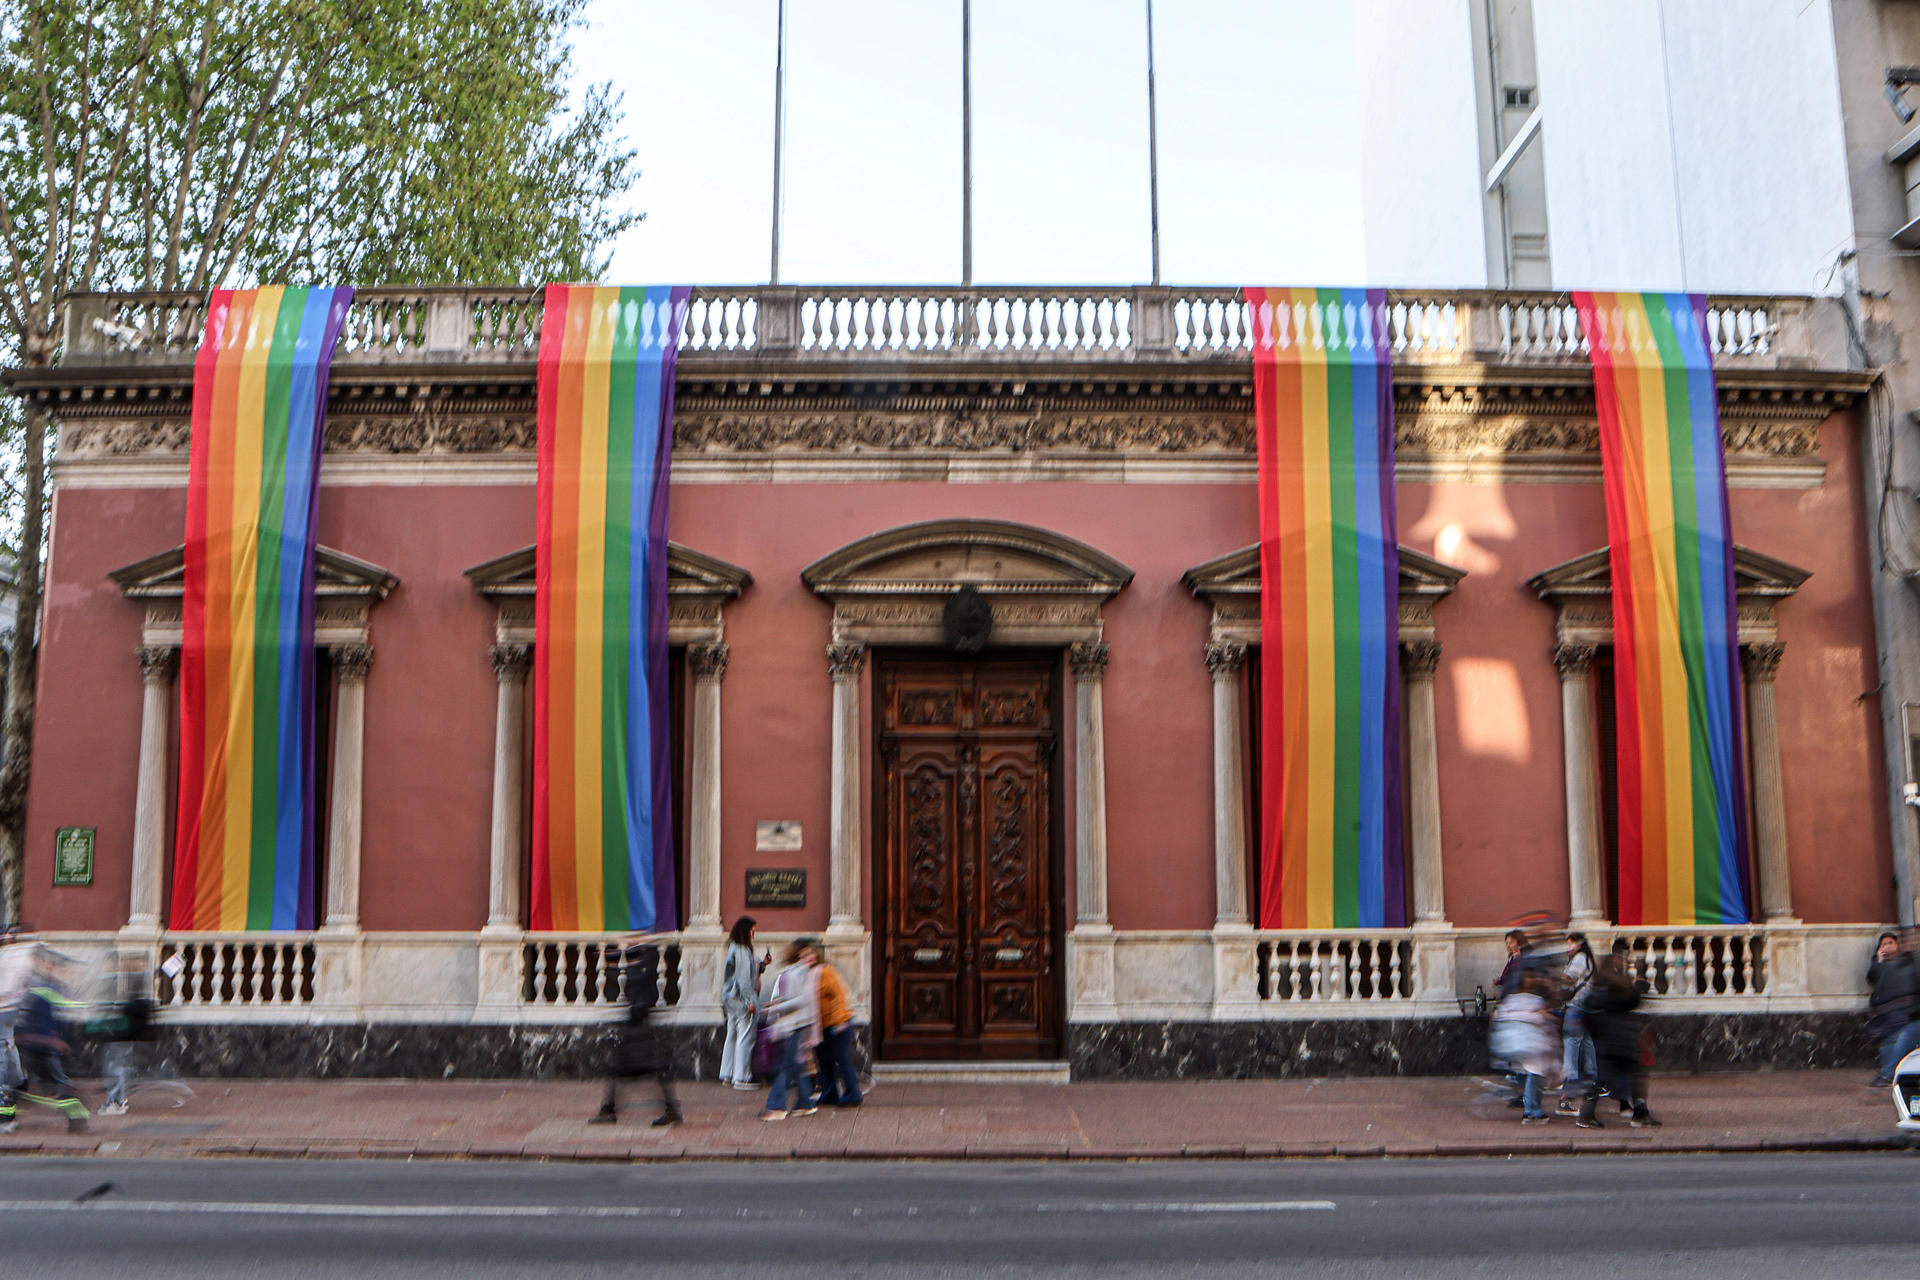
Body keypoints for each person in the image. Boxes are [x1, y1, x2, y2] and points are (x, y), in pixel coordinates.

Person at [589, 940, 681, 1128]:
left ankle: (610, 1109)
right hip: (638, 1028)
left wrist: (610, 968)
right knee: (631, 1069)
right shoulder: (647, 966)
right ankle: (609, 1109)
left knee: (635, 1069)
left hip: (639, 1029)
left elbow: (632, 982)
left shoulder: (646, 968)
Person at [11, 950, 90, 1134]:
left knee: (52, 1084)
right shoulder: (43, 987)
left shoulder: (45, 987)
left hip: (42, 1044)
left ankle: (78, 1117)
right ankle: (77, 1118)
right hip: (41, 1044)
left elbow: (48, 1017)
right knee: (49, 1083)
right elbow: (37, 1017)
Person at [1576, 954, 1654, 1129]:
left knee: (1602, 1078)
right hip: (1622, 1037)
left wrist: (1597, 1034)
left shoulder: (1596, 989)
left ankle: (1587, 1113)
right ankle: (1639, 1112)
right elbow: (1634, 1000)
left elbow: (1588, 1014)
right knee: (1636, 1075)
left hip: (1606, 1039)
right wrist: (1639, 977)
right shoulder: (1620, 986)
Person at [760, 940, 819, 1121]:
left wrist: (777, 1007)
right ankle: (805, 1103)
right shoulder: (796, 973)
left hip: (796, 1025)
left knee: (785, 1067)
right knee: (796, 1066)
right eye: (805, 955)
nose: (809, 958)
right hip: (795, 1025)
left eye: (811, 956)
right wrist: (777, 1004)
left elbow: (801, 1000)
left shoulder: (800, 974)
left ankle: (776, 1107)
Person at [1490, 971, 1557, 1123]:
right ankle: (1532, 1112)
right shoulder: (1535, 1000)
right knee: (1535, 1077)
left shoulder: (1512, 1000)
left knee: (1529, 1075)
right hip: (1531, 1045)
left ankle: (1528, 1105)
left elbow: (1499, 1016)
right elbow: (1542, 1018)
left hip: (1514, 1045)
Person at [806, 939, 862, 1109]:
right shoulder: (812, 974)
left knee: (842, 1060)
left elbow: (838, 996)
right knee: (824, 1061)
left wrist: (839, 1022)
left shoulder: (826, 972)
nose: (807, 958)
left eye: (810, 954)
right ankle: (830, 1094)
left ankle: (853, 1094)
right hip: (823, 1026)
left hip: (838, 1024)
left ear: (817, 956)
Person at [1866, 930, 1920, 1088]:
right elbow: (1873, 978)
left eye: (1891, 943)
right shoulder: (1883, 963)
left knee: (1905, 1037)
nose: (1888, 946)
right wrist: (1879, 960)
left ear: (1898, 945)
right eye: (1884, 944)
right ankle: (1888, 1075)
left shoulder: (1910, 961)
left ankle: (1888, 1074)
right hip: (1891, 1016)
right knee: (1889, 1043)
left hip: (1908, 1015)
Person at [719, 916, 760, 1091]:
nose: (754, 933)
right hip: (740, 999)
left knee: (732, 1034)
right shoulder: (743, 950)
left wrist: (761, 965)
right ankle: (741, 1077)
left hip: (730, 998)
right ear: (746, 930)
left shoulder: (733, 947)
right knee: (745, 1035)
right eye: (752, 929)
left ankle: (727, 1074)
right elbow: (743, 979)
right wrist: (749, 1001)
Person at [1558, 932, 1597, 1104]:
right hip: (1586, 1007)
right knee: (1587, 1043)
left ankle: (1569, 1088)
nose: (1568, 947)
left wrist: (1553, 976)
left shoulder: (1580, 958)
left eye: (1570, 943)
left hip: (1576, 1006)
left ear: (1578, 944)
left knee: (1571, 1044)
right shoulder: (1586, 958)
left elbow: (1569, 978)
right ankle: (1592, 1081)